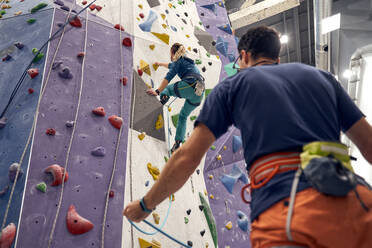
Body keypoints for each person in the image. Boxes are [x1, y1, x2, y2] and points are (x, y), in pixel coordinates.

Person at [124, 26, 372, 247]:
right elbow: (369, 144)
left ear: (243, 56)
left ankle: (165, 95)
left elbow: (187, 158)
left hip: (287, 213)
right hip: (357, 202)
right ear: (276, 56)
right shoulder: (322, 78)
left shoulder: (235, 86)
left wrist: (145, 205)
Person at [146, 43, 205, 153]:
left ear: (173, 53)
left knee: (168, 88)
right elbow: (170, 65)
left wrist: (157, 91)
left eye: (170, 53)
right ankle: (177, 144)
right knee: (183, 116)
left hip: (190, 85)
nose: (170, 55)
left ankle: (164, 97)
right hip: (199, 94)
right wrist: (159, 64)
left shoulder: (178, 62)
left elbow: (168, 77)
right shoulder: (185, 62)